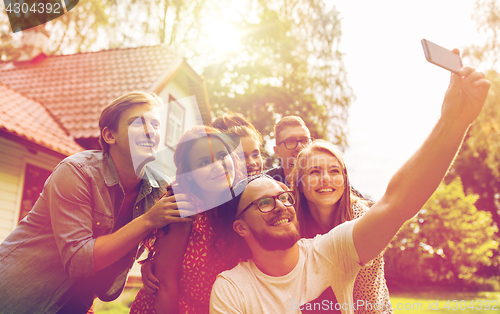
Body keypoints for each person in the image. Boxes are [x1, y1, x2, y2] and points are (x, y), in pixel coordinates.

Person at [209, 65, 490, 313]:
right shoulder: (232, 290)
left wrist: (453, 123)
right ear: (240, 227)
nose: (282, 205)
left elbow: (396, 202)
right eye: (265, 203)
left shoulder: (330, 252)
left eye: (283, 198)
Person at [0, 91, 192, 314]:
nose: (151, 132)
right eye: (137, 123)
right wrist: (148, 220)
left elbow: (162, 240)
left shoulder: (159, 187)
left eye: (156, 124)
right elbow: (79, 260)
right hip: (17, 295)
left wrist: (152, 260)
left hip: (76, 301)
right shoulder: (76, 171)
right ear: (110, 136)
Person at [130, 126, 245, 314]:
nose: (218, 165)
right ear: (189, 175)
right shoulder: (184, 209)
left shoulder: (242, 204)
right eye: (204, 162)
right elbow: (165, 286)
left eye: (223, 155)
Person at [290, 140, 391, 313]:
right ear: (300, 184)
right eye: (315, 172)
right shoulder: (292, 226)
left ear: (344, 180)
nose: (326, 179)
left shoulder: (361, 220)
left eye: (334, 171)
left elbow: (368, 301)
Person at [266, 116, 312, 185]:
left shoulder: (325, 178)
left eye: (305, 140)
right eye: (290, 141)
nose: (299, 146)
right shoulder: (267, 182)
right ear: (277, 151)